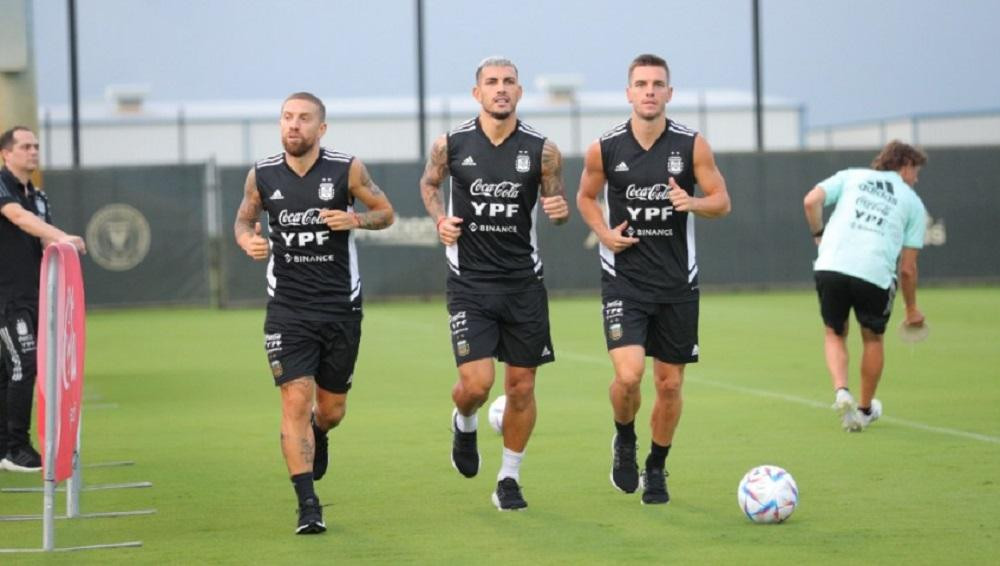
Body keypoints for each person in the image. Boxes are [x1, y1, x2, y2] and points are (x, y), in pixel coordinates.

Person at [233, 92, 394, 534]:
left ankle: (320, 433)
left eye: (304, 119)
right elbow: (244, 220)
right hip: (288, 309)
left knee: (331, 409)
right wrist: (248, 240)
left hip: (340, 307)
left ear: (321, 128)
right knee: (295, 399)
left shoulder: (347, 169)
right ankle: (308, 504)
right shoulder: (262, 175)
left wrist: (355, 221)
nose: (294, 125)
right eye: (287, 117)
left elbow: (386, 212)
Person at [575, 54, 731, 505]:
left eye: (657, 84)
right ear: (628, 93)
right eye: (640, 84)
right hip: (625, 280)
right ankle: (625, 436)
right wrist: (603, 233)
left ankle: (657, 467)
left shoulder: (691, 145)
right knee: (629, 376)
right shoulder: (604, 147)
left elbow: (721, 201)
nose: (648, 91)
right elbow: (585, 197)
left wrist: (693, 204)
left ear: (669, 93)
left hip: (677, 284)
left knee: (670, 384)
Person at [418, 56, 569, 511]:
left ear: (519, 92)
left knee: (521, 387)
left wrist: (559, 212)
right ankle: (463, 420)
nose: (500, 89)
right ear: (477, 93)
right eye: (491, 82)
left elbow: (553, 202)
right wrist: (440, 219)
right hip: (470, 284)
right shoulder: (450, 144)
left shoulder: (543, 150)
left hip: (524, 284)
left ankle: (509, 478)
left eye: (508, 82)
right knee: (478, 384)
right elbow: (428, 186)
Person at [803, 140, 927, 432]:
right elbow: (907, 269)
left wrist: (818, 233)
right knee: (872, 339)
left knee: (835, 333)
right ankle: (865, 409)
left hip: (831, 265)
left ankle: (841, 390)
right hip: (873, 273)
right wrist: (911, 310)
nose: (917, 179)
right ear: (905, 166)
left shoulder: (852, 176)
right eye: (916, 171)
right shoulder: (913, 204)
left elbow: (810, 201)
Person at [0, 126, 86, 473]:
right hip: (5, 295)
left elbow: (44, 240)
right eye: (25, 146)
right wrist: (64, 237)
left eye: (36, 146)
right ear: (7, 153)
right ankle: (16, 448)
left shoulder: (38, 196)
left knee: (7, 370)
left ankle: (5, 446)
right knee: (25, 364)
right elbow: (19, 219)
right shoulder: (3, 186)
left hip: (33, 294)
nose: (33, 152)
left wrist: (59, 245)